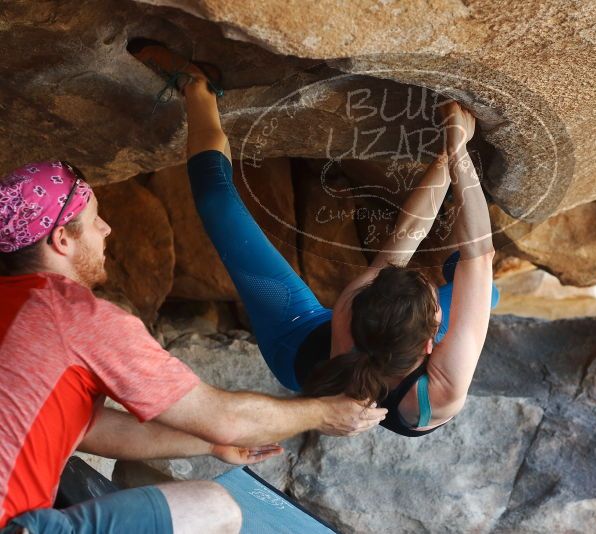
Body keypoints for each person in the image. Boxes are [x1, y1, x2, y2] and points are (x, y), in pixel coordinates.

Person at [130, 39, 498, 439]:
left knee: (216, 201)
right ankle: (197, 88)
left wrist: (459, 150)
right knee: (484, 292)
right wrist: (449, 156)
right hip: (331, 348)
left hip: (295, 339)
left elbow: (468, 252)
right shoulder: (429, 375)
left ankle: (196, 88)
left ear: (431, 344)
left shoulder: (425, 376)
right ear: (432, 342)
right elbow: (462, 251)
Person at [0, 169, 386, 527]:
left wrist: (210, 443)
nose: (107, 228)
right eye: (94, 219)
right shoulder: (71, 316)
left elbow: (87, 428)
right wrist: (323, 412)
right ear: (62, 239)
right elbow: (224, 417)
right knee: (213, 507)